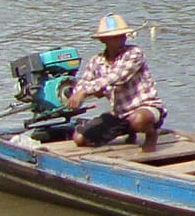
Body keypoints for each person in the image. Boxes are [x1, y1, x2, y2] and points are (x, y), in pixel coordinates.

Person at [63, 14, 167, 152]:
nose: (121, 39)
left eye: (122, 35)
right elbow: (83, 83)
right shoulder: (96, 61)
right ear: (103, 40)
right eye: (115, 37)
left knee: (138, 119)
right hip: (119, 114)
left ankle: (151, 133)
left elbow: (116, 77)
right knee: (80, 139)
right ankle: (129, 132)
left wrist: (85, 91)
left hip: (145, 108)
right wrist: (78, 95)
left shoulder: (134, 53)